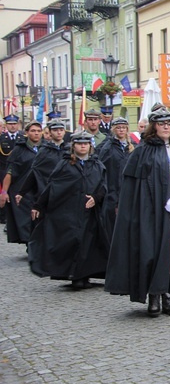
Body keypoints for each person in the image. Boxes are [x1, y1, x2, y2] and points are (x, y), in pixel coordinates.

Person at [105, 108, 170, 316]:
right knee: (153, 252)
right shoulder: (142, 150)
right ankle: (154, 295)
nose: (166, 126)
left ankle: (168, 297)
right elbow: (131, 184)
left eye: (169, 123)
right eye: (161, 123)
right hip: (150, 204)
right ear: (153, 126)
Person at [28, 131, 109, 289]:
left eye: (86, 143)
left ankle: (86, 274)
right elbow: (52, 185)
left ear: (90, 146)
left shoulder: (97, 164)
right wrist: (39, 205)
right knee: (72, 241)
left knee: (89, 243)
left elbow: (103, 186)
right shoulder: (65, 164)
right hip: (69, 211)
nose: (83, 146)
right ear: (74, 146)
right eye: (80, 143)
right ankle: (75, 275)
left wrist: (95, 198)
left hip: (90, 213)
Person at [0, 121, 42, 245]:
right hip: (22, 189)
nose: (36, 134)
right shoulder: (19, 149)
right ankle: (30, 243)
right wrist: (4, 192)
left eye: (39, 131)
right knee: (25, 219)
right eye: (33, 131)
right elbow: (10, 171)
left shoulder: (45, 148)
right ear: (27, 133)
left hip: (40, 188)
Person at [15, 120, 69, 209]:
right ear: (50, 132)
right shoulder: (44, 150)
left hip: (66, 192)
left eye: (61, 130)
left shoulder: (69, 150)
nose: (59, 132)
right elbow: (35, 171)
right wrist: (22, 192)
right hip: (48, 191)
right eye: (55, 130)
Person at [96, 117, 134, 238]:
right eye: (118, 128)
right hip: (112, 188)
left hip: (128, 188)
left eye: (123, 128)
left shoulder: (132, 146)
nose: (121, 130)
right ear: (114, 129)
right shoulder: (108, 146)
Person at [0, 115, 24, 225]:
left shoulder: (23, 138)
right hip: (4, 171)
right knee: (5, 194)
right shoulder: (1, 138)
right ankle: (5, 217)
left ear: (18, 125)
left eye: (14, 124)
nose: (13, 126)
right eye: (10, 124)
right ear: (6, 125)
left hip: (20, 171)